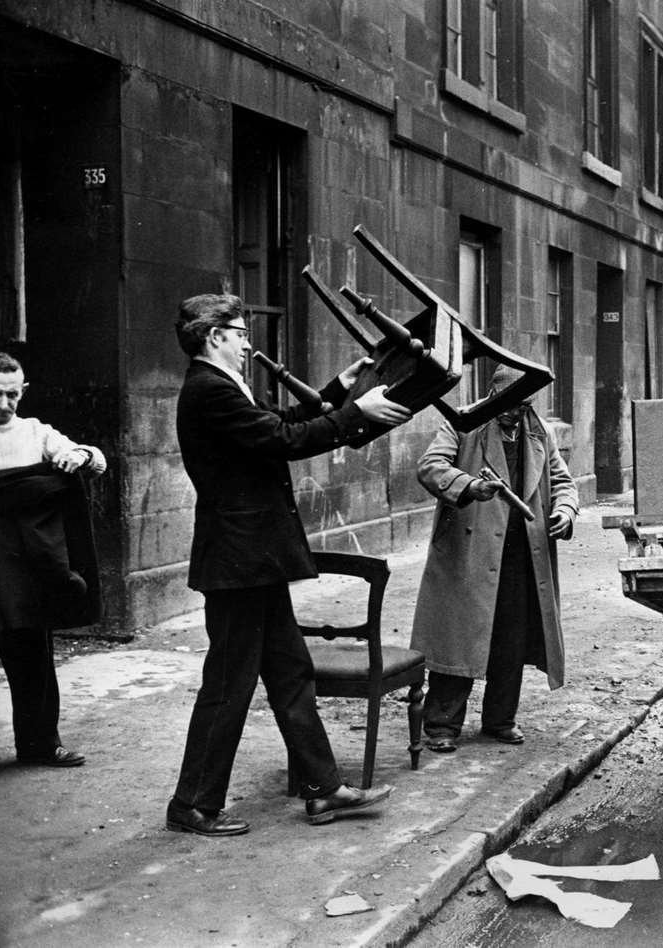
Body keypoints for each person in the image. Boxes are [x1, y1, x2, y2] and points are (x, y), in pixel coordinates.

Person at [167, 293, 411, 836]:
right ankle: (192, 804)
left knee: (290, 672)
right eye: (239, 332)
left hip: (252, 560)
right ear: (215, 337)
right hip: (239, 562)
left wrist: (337, 393)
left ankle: (324, 789)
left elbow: (274, 423)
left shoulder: (221, 387)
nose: (248, 342)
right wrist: (353, 416)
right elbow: (282, 438)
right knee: (229, 684)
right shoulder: (209, 389)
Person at [409, 364, 579, 753]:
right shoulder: (463, 423)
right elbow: (430, 466)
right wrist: (470, 485)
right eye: (505, 405)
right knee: (459, 636)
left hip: (522, 554)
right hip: (470, 552)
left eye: (520, 406)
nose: (512, 414)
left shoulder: (539, 431)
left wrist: (566, 511)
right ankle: (441, 724)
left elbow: (565, 482)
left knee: (512, 638)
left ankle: (500, 719)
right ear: (491, 396)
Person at [0, 351, 106, 768]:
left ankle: (39, 744)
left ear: (24, 391)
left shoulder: (36, 432)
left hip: (24, 561)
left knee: (31, 651)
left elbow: (95, 460)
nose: (4, 404)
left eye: (13, 395)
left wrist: (82, 456)